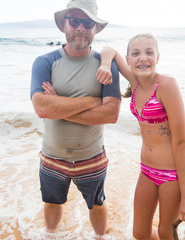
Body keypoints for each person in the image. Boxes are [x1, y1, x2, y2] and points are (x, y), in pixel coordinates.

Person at [30, 0, 121, 238]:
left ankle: (100, 237)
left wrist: (58, 103)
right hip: (52, 156)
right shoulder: (45, 62)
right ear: (64, 25)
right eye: (75, 21)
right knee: (51, 203)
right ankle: (50, 235)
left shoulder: (106, 66)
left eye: (87, 23)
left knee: (97, 203)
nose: (81, 28)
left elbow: (110, 114)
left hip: (91, 157)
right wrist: (93, 102)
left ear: (96, 29)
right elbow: (41, 107)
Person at [96, 34, 185, 239]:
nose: (143, 58)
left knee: (165, 232)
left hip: (173, 175)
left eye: (149, 52)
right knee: (140, 233)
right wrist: (106, 65)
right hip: (147, 171)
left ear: (157, 57)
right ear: (129, 59)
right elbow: (109, 50)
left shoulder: (167, 85)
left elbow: (181, 141)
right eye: (136, 53)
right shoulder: (136, 84)